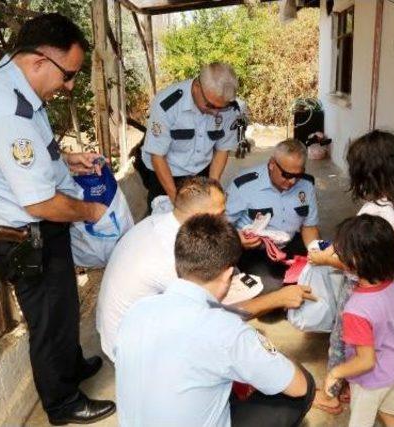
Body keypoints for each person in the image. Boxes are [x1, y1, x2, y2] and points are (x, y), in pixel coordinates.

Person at [0, 14, 115, 424]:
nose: (69, 85)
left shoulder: (11, 83)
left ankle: (72, 366)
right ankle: (62, 404)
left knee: (63, 308)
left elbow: (25, 158)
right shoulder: (7, 111)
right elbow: (41, 203)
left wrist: (67, 160)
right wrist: (89, 211)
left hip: (35, 230)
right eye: (69, 74)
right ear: (39, 60)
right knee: (49, 321)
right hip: (27, 235)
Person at [115, 214, 315, 426]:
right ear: (228, 274)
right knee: (304, 384)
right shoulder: (226, 331)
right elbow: (298, 386)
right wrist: (262, 349)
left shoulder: (137, 310)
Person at [96, 177, 316, 361]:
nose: (225, 219)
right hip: (135, 352)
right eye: (219, 214)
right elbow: (216, 316)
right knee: (234, 341)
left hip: (130, 329)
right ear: (198, 217)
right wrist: (279, 299)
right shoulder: (173, 256)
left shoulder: (160, 223)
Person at [310, 130, 394, 414]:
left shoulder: (375, 211)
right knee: (379, 336)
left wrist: (323, 259)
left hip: (363, 286)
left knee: (342, 339)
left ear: (369, 172)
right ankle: (359, 379)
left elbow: (356, 262)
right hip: (387, 282)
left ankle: (332, 392)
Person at [323, 215, 394, 427]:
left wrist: (336, 372)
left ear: (356, 261)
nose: (337, 253)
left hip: (371, 381)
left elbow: (366, 361)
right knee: (390, 414)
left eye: (341, 251)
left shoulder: (356, 310)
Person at [226, 139, 320, 292]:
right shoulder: (244, 186)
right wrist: (237, 239)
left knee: (315, 278)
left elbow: (309, 227)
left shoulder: (306, 185)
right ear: (272, 164)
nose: (292, 181)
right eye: (287, 174)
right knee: (268, 289)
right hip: (254, 251)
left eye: (298, 174)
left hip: (288, 243)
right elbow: (220, 226)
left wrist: (316, 254)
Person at [141, 62, 241, 206]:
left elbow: (222, 149)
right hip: (166, 175)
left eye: (221, 108)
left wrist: (213, 187)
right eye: (210, 105)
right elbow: (157, 156)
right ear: (196, 88)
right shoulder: (167, 105)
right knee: (167, 222)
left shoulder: (229, 108)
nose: (216, 112)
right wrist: (176, 200)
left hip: (201, 174)